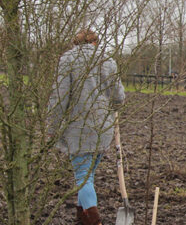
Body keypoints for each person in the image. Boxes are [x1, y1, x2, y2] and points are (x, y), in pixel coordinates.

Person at [49, 29, 125, 225]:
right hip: (103, 129)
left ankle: (94, 222)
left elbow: (60, 97)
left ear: (76, 44)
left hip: (78, 129)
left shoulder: (68, 60)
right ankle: (82, 219)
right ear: (95, 43)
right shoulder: (108, 60)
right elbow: (118, 97)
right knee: (86, 176)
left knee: (83, 177)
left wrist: (53, 128)